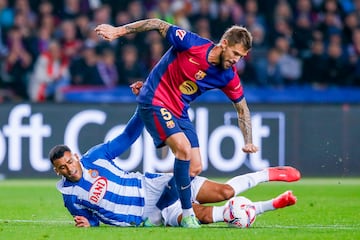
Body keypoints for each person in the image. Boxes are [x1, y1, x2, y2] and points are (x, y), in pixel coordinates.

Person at [95, 18, 259, 228]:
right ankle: (187, 213)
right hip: (154, 99)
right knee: (183, 149)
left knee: (195, 167)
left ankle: (154, 212)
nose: (237, 60)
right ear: (224, 43)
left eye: (242, 57)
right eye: (236, 54)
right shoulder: (193, 44)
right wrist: (117, 31)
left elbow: (242, 108)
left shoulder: (228, 76)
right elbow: (156, 23)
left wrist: (248, 140)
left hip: (178, 110)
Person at [49, 111, 301, 228]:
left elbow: (127, 137)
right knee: (202, 216)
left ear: (76, 157)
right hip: (147, 218)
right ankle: (269, 205)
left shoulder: (95, 157)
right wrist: (87, 224)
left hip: (153, 187)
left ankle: (266, 174)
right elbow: (92, 219)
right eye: (62, 168)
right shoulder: (69, 197)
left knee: (224, 193)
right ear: (57, 172)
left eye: (70, 162)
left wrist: (142, 108)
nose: (69, 169)